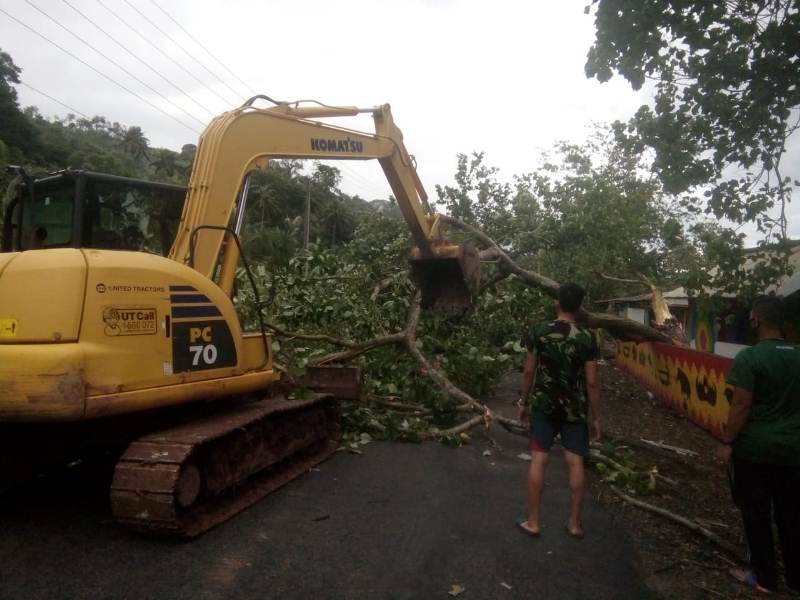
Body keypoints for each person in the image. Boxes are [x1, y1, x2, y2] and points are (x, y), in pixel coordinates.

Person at [719, 295, 800, 595]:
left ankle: (765, 576)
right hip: (794, 452)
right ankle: (795, 578)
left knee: (756, 512)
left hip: (755, 451)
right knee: (792, 513)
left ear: (757, 320)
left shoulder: (750, 358)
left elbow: (740, 405)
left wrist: (727, 442)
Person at [516, 282, 601, 539]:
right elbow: (592, 381)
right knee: (575, 461)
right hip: (574, 408)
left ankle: (533, 522)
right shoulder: (588, 338)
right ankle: (574, 524)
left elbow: (529, 370)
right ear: (578, 307)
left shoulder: (539, 332)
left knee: (539, 458)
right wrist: (596, 416)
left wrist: (524, 402)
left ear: (557, 303)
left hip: (544, 404)